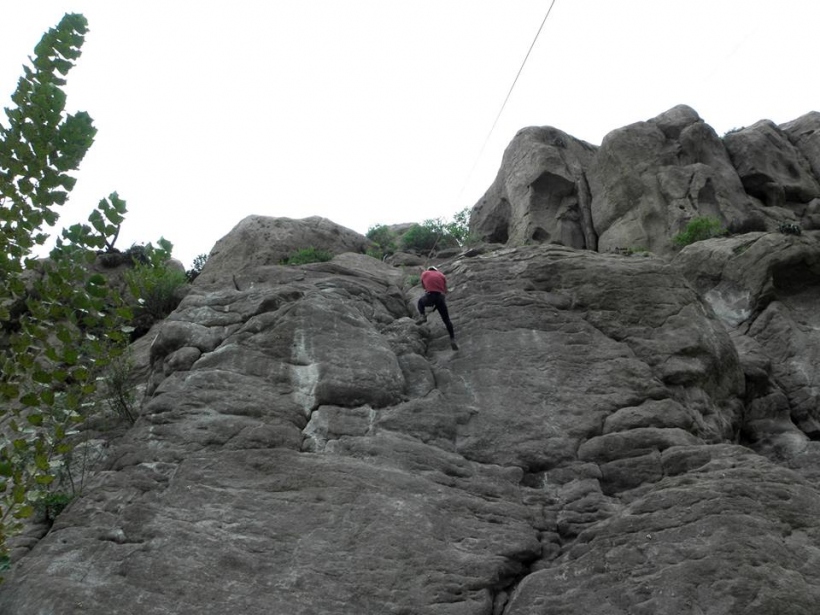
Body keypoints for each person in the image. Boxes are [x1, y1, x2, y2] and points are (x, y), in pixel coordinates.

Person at [417, 266, 458, 350]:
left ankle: (422, 316)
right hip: (440, 298)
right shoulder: (442, 275)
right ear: (436, 270)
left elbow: (424, 287)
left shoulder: (425, 273)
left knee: (420, 302)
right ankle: (452, 339)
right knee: (447, 320)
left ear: (429, 270)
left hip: (430, 296)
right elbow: (445, 290)